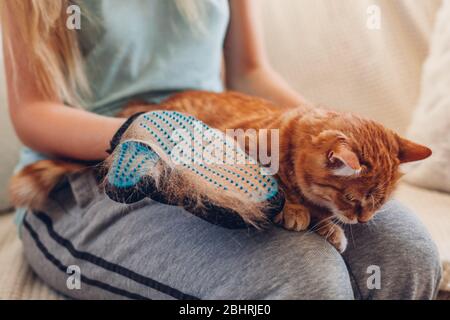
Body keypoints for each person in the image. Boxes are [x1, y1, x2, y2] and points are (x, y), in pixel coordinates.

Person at [1, 0, 441, 299]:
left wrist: (318, 129)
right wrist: (152, 134)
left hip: (220, 145)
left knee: (406, 254)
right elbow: (34, 113)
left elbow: (249, 71)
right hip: (90, 170)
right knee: (306, 280)